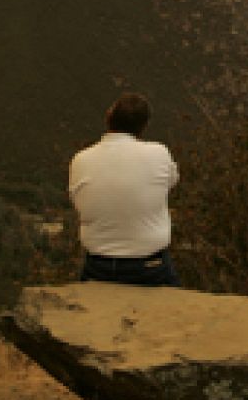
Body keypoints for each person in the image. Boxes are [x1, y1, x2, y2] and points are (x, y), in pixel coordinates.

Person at [68, 91, 180, 286]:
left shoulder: (80, 159)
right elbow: (170, 183)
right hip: (150, 267)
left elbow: (78, 203)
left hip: (98, 266)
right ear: (144, 126)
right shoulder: (160, 153)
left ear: (108, 118)